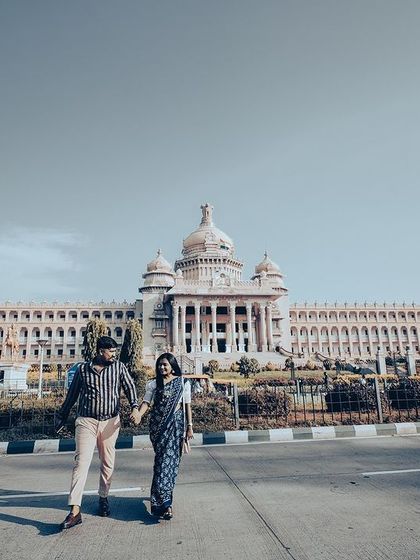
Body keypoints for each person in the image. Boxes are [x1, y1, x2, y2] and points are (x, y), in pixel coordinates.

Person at [55, 336, 141, 530]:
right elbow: (72, 394)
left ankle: (103, 497)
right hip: (86, 421)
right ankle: (75, 510)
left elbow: (130, 387)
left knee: (107, 463)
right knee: (81, 463)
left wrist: (135, 407)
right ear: (100, 351)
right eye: (110, 351)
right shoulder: (83, 369)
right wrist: (62, 415)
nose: (113, 354)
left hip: (110, 421)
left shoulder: (118, 367)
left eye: (114, 351)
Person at [134, 352, 193, 520]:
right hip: (158, 428)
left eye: (165, 364)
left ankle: (166, 504)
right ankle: (160, 500)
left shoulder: (182, 382)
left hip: (175, 427)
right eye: (159, 364)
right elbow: (146, 403)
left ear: (172, 366)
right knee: (161, 463)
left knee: (169, 463)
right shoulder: (153, 384)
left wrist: (190, 427)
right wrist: (138, 414)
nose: (162, 367)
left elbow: (186, 405)